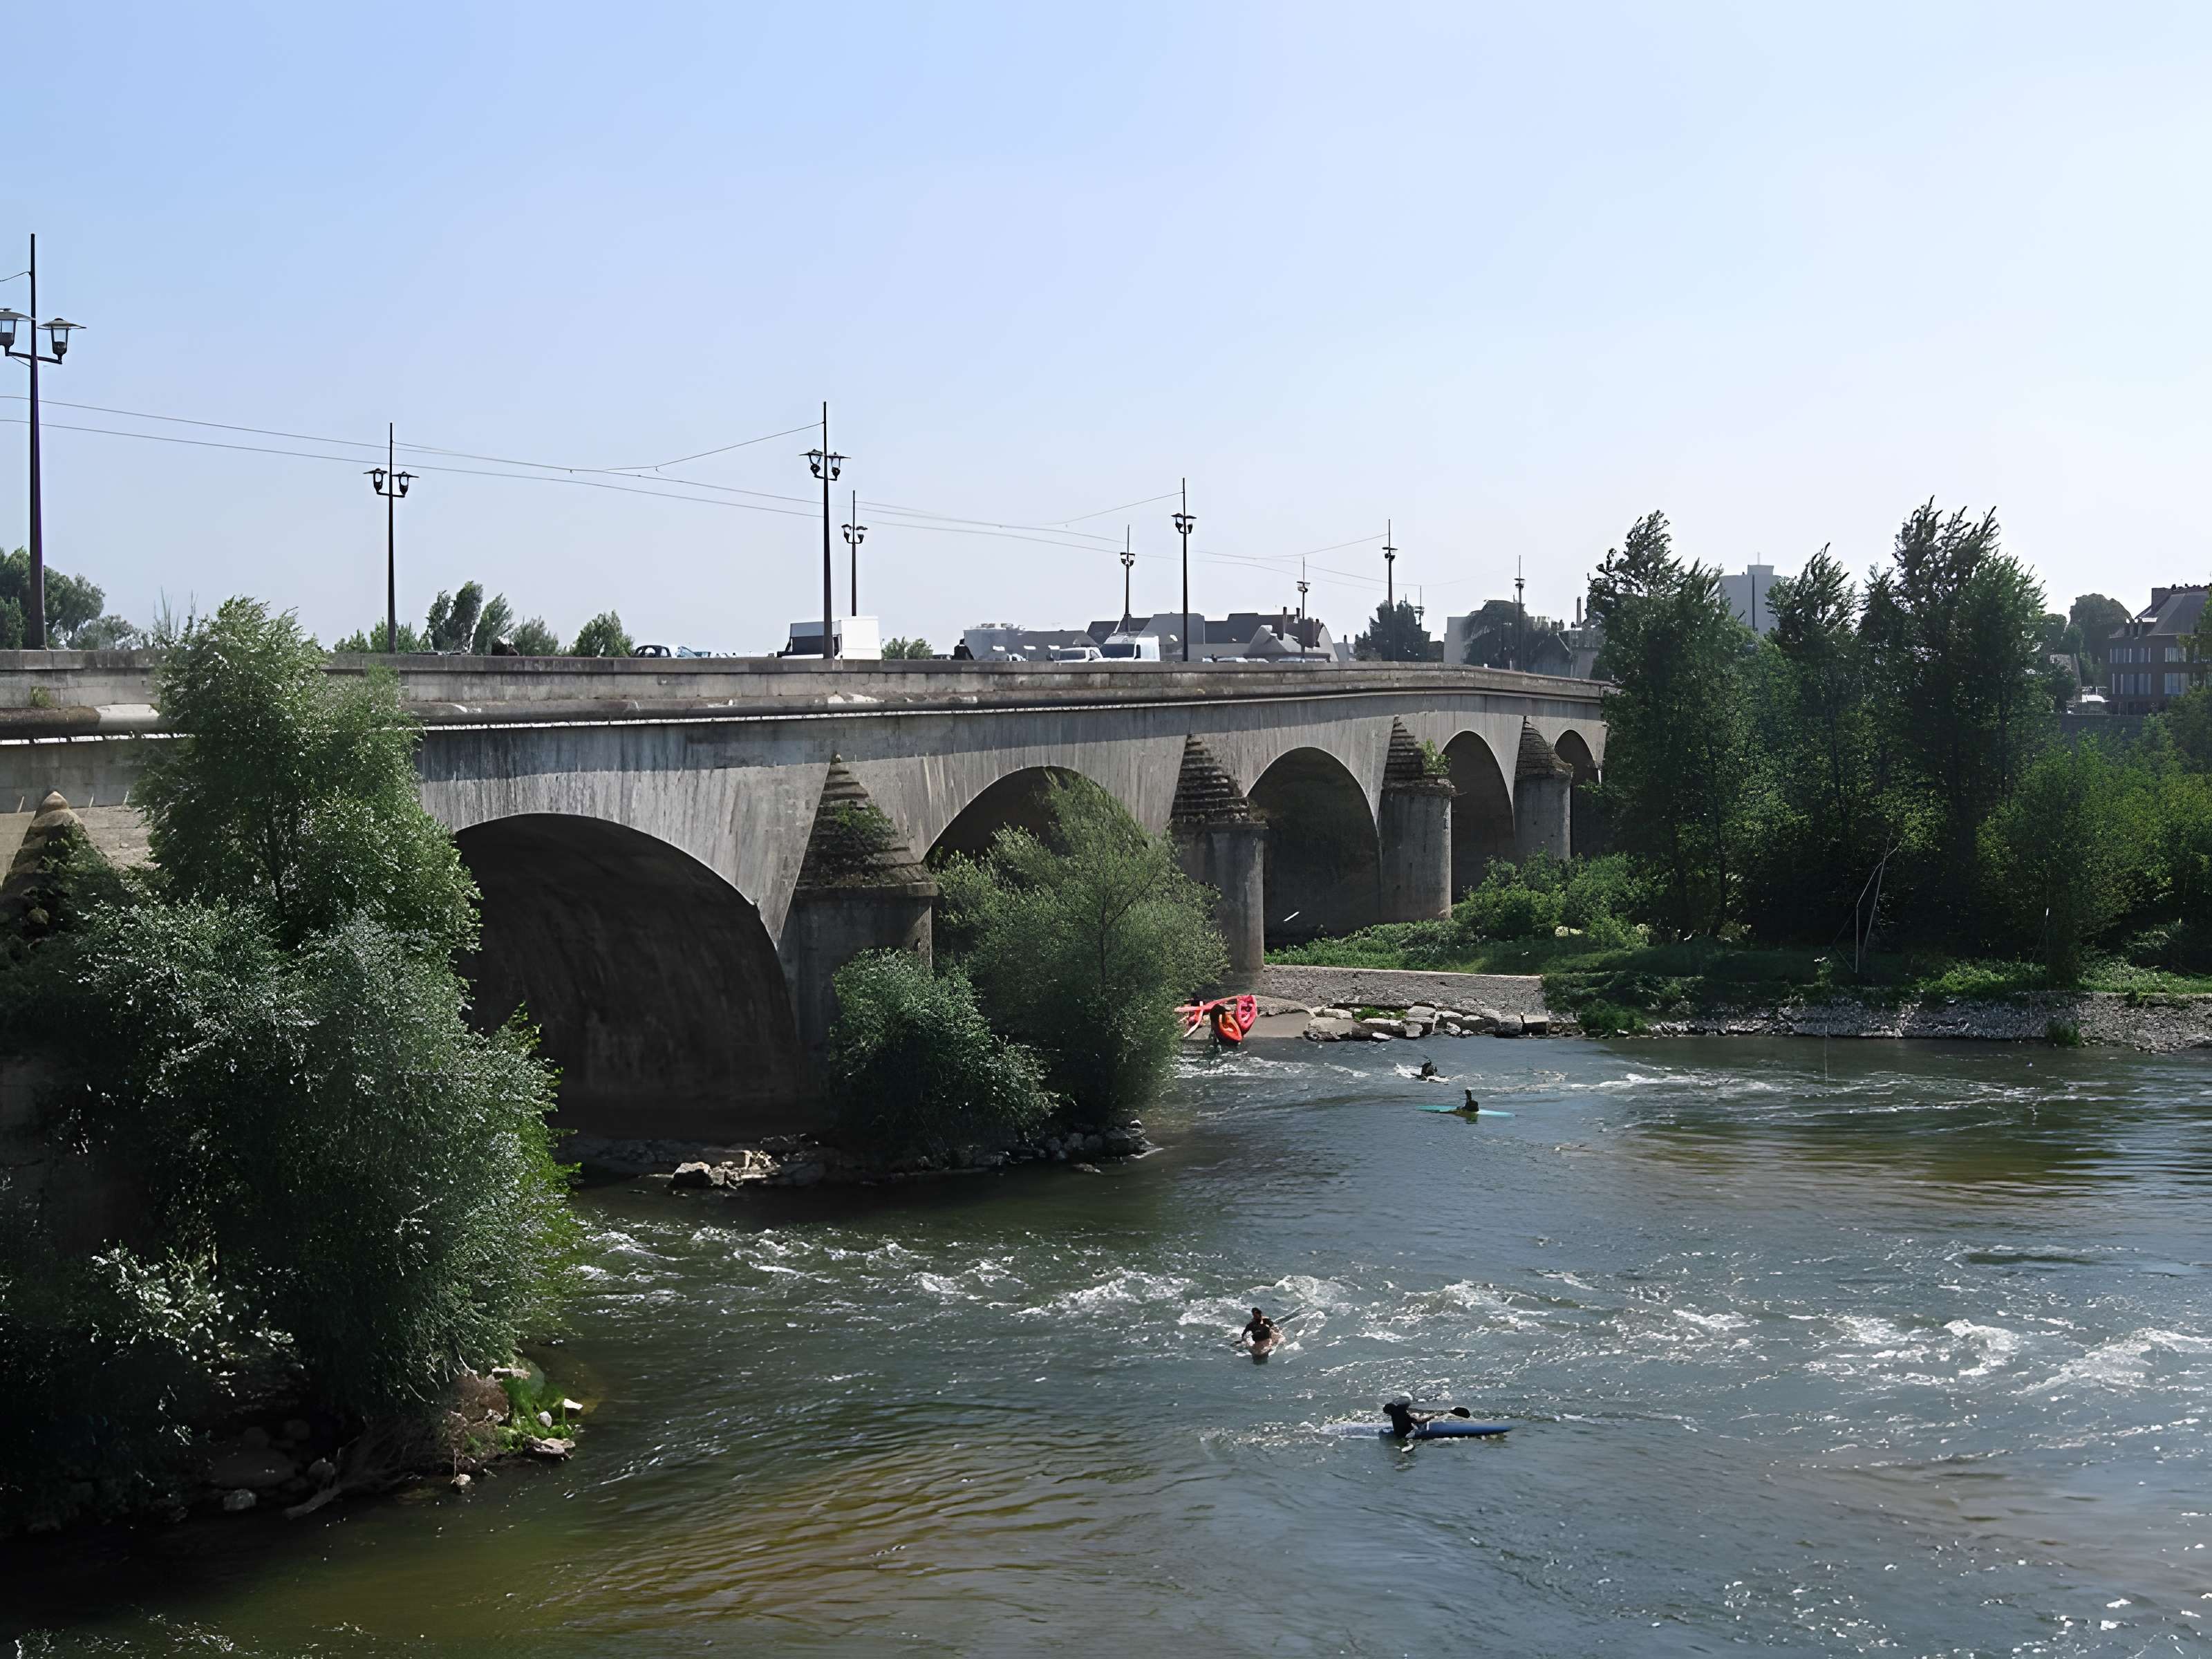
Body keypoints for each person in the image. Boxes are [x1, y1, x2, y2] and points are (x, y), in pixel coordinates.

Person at [1382, 1397, 1446, 1438]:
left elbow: (1386, 1410)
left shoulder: (1394, 1413)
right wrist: (1433, 1416)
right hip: (1406, 1435)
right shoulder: (1407, 1416)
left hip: (1398, 1433)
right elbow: (1421, 1420)